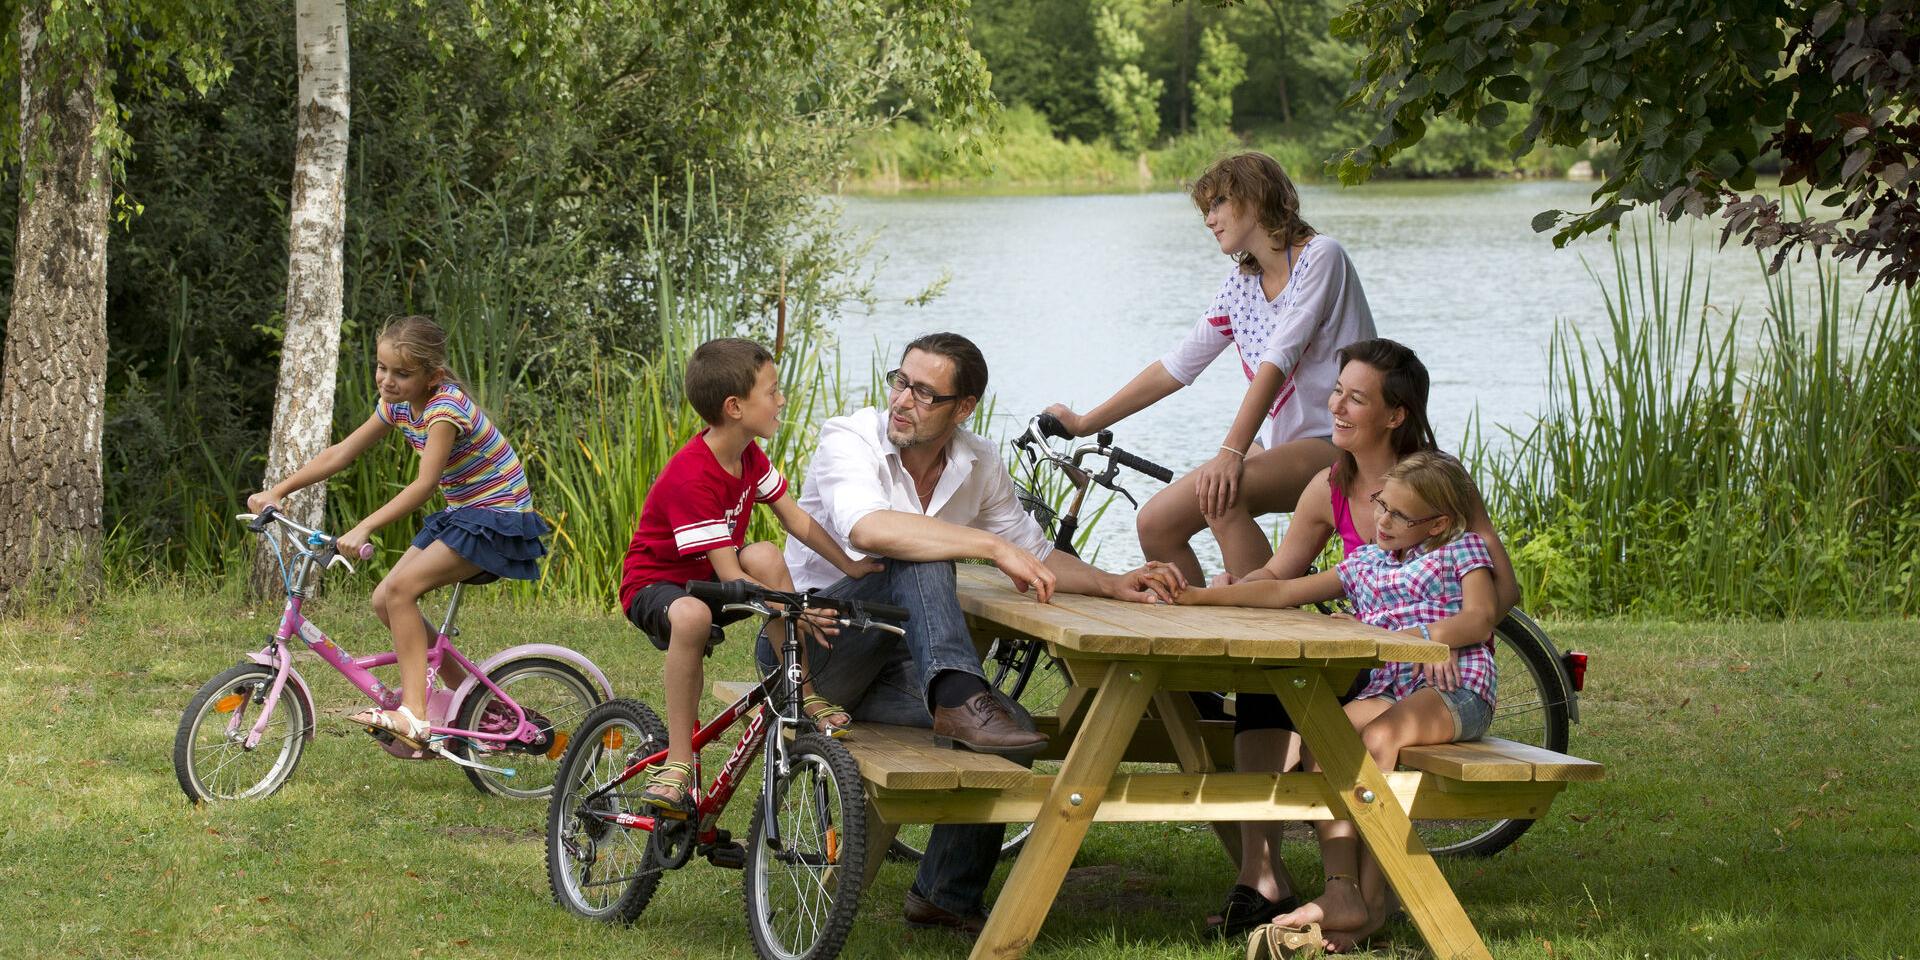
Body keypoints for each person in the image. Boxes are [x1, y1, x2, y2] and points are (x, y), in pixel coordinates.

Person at [773, 331, 1184, 935]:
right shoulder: (850, 437)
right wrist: (987, 546)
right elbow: (868, 529)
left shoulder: (978, 461)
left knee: (1009, 730)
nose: (902, 401)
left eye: (924, 392)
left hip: (892, 669)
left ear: (962, 408)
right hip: (813, 654)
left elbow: (1038, 552)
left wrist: (1112, 581)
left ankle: (944, 893)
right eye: (900, 381)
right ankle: (961, 696)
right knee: (918, 549)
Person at [1202, 338, 1524, 934]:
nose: (1338, 407)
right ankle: (1268, 874)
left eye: (1356, 398)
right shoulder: (1330, 486)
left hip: (1431, 666)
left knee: (1356, 736)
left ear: (1395, 414)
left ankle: (1366, 895)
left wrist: (1441, 637)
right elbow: (1280, 579)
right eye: (1337, 392)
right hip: (1364, 657)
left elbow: (1501, 594)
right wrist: (1218, 590)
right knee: (1276, 685)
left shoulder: (1439, 488)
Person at [1176, 450, 1503, 952]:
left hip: (1454, 687)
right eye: (1381, 505)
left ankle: (1371, 905)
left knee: (1379, 737)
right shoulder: (1366, 562)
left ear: (1437, 524)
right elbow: (1282, 591)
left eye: (1400, 515)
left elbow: (1480, 618)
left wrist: (1422, 638)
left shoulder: (1461, 552)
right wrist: (1197, 598)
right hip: (1390, 688)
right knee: (1324, 742)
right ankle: (1342, 890)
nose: (1384, 520)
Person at [1045, 151, 1376, 587]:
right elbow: (1176, 367)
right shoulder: (1241, 285)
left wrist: (1231, 453)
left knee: (1223, 491)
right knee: (1156, 522)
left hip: (1344, 442)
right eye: (1206, 209)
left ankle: (1264, 634)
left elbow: (1280, 357)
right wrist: (1085, 423)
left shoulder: (1321, 258)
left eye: (1218, 203)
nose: (1209, 219)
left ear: (1256, 198)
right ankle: (1205, 637)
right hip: (1283, 444)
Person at [247, 315, 551, 749]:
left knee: (401, 591)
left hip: (497, 518)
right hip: (465, 512)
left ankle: (415, 715)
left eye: (402, 373)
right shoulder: (397, 405)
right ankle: (477, 705)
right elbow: (342, 452)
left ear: (433, 377)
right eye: (382, 368)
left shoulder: (445, 409)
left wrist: (366, 525)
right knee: (383, 599)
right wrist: (278, 489)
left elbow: (425, 484)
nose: (387, 381)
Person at [618, 337, 882, 813]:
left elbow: (795, 520)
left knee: (763, 553)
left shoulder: (749, 456)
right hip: (657, 585)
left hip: (715, 576)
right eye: (772, 390)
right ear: (735, 407)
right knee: (695, 616)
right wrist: (798, 609)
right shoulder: (691, 476)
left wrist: (851, 566)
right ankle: (679, 760)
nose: (781, 399)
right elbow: (728, 573)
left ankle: (803, 693)